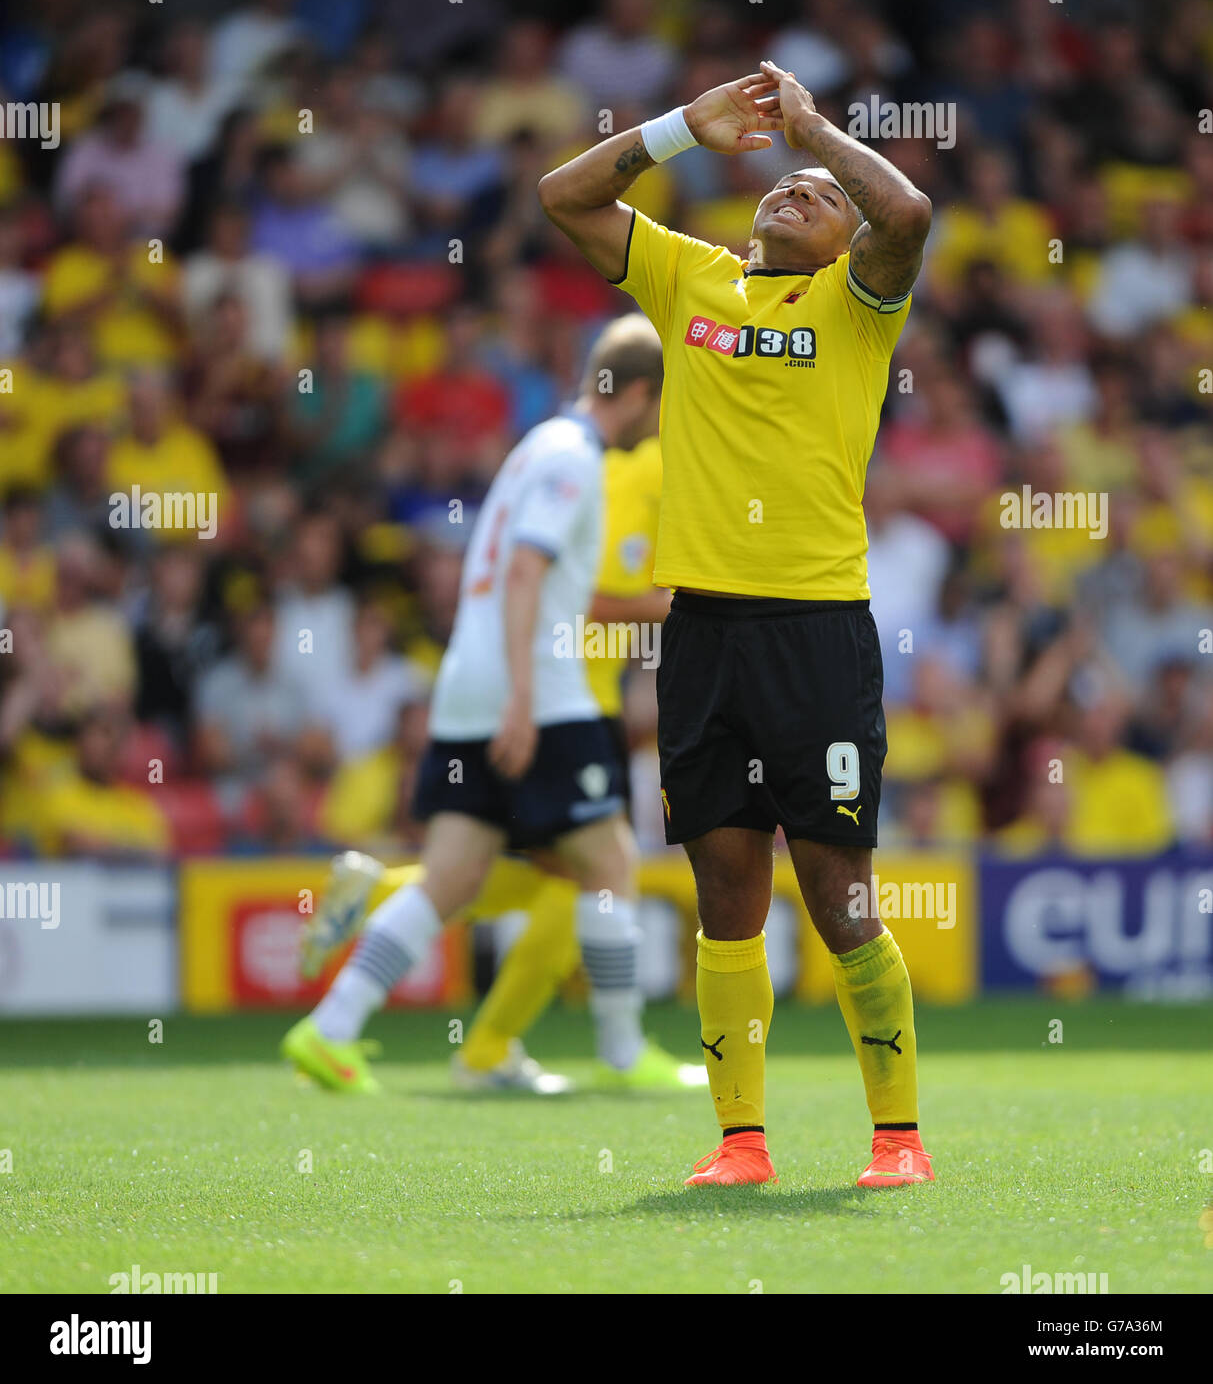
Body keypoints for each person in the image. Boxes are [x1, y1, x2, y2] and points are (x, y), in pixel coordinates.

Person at [538, 61, 934, 1188]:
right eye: (783, 181)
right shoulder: (689, 278)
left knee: (837, 887)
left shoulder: (858, 305)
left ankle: (897, 1138)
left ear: (848, 239)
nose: (793, 189)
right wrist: (677, 132)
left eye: (820, 191)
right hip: (704, 629)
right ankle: (741, 1141)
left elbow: (906, 211)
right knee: (723, 885)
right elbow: (561, 199)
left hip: (816, 629)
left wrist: (812, 126)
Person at [282, 317, 686, 1093]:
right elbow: (526, 575)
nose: (661, 421)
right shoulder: (574, 460)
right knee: (609, 865)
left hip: (469, 682)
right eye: (660, 404)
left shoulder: (537, 445)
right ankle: (623, 1053)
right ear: (636, 394)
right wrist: (525, 702)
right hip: (537, 687)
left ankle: (328, 1029)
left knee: (453, 875)